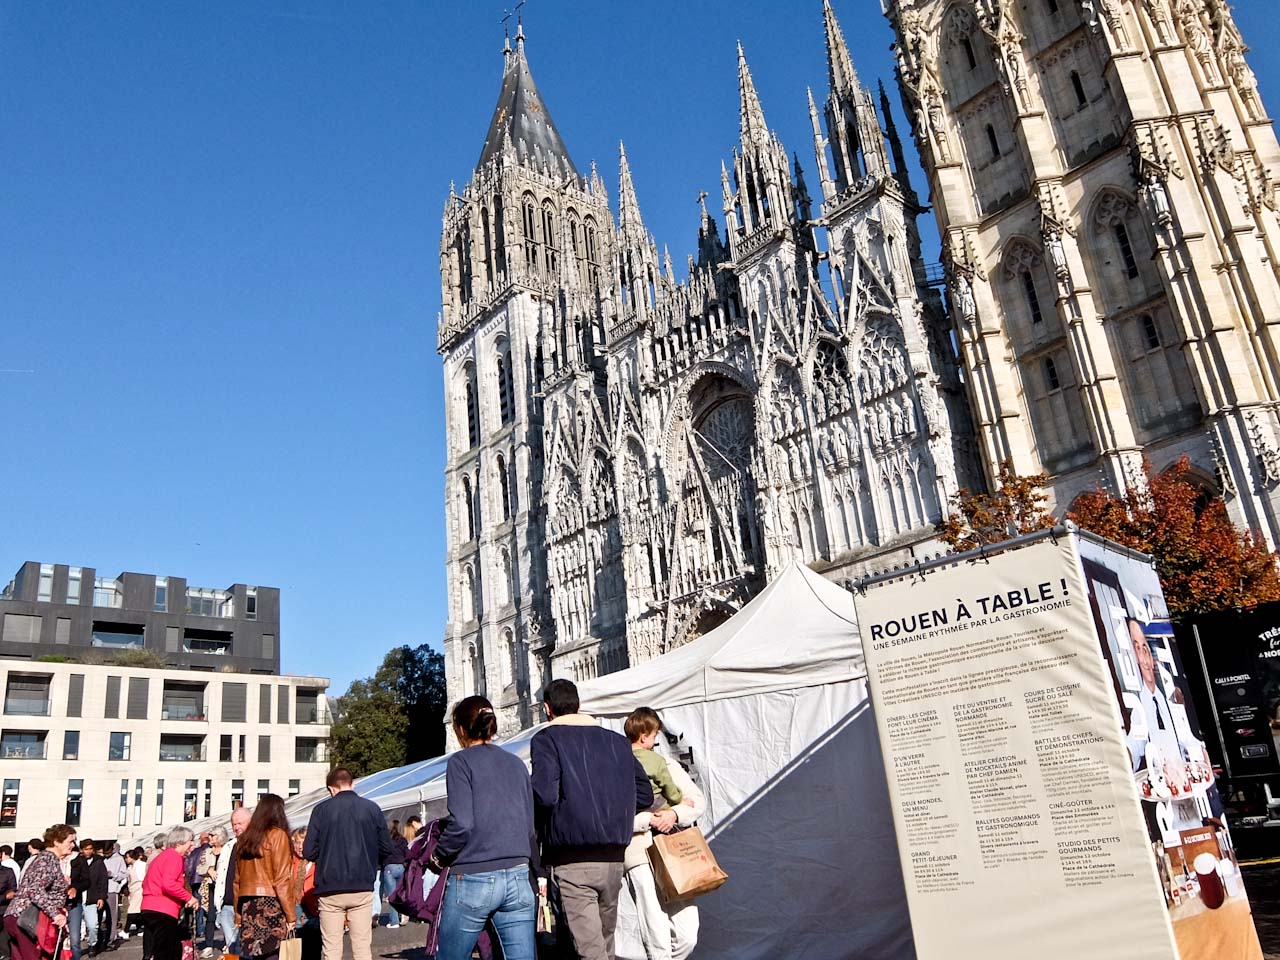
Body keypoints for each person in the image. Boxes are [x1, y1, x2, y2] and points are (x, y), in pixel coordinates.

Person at [530, 679, 653, 960]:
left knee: (591, 950)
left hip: (572, 857)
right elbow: (644, 794)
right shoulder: (617, 742)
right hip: (613, 857)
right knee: (604, 945)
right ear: (578, 705)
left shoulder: (547, 740)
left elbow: (545, 796)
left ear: (547, 709)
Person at [428, 696, 537, 960]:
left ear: (461, 730)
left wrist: (439, 856)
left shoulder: (460, 763)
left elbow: (463, 823)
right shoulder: (516, 764)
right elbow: (529, 825)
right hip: (518, 872)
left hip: (474, 874)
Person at [621, 708, 706, 960]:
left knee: (688, 933)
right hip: (638, 853)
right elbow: (612, 818)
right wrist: (649, 820)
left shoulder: (664, 764)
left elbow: (696, 801)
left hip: (674, 851)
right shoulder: (617, 767)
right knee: (656, 934)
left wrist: (674, 815)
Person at [302, 768, 391, 960]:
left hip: (329, 887)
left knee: (331, 948)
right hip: (362, 885)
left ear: (331, 789)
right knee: (361, 947)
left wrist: (325, 854)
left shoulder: (321, 810)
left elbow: (308, 851)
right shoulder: (371, 808)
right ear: (353, 784)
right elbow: (386, 847)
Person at [233, 794, 296, 960]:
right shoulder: (278, 835)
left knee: (256, 954)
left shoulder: (244, 840)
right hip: (271, 902)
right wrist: (291, 915)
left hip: (248, 904)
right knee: (272, 953)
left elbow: (237, 881)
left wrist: (238, 914)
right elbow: (282, 880)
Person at [3, 824, 74, 960]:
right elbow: (35, 890)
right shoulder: (47, 859)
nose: (73, 845)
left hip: (18, 917)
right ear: (56, 842)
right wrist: (56, 914)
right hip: (26, 918)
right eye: (70, 841)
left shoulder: (46, 859)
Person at [140, 826, 199, 960]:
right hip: (163, 910)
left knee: (156, 950)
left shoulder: (161, 857)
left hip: (149, 908)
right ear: (179, 842)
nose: (193, 844)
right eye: (191, 840)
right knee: (167, 952)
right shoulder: (174, 857)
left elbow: (146, 882)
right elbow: (168, 884)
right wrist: (189, 897)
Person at [625, 708, 684, 812]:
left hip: (632, 807)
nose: (655, 740)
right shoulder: (655, 760)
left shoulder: (621, 756)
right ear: (644, 737)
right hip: (655, 805)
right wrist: (679, 800)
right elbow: (668, 786)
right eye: (654, 736)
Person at [215, 807, 251, 959]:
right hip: (227, 905)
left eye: (240, 823)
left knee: (247, 947)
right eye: (233, 824)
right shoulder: (229, 846)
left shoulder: (254, 845)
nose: (236, 827)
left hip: (245, 905)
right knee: (232, 949)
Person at [70, 839, 107, 960]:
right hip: (78, 899)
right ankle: (74, 949)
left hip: (92, 898)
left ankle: (92, 945)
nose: (88, 851)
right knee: (75, 927)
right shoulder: (76, 861)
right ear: (81, 850)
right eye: (86, 849)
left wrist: (101, 897)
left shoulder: (98, 862)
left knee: (93, 925)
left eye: (90, 849)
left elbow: (103, 880)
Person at [196, 831, 223, 959]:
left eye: (213, 836)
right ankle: (208, 945)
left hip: (225, 887)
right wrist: (208, 870)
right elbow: (199, 868)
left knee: (228, 915)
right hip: (211, 887)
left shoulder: (228, 850)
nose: (210, 838)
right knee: (210, 916)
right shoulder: (207, 852)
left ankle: (230, 943)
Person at [380, 824, 407, 930]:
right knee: (401, 893)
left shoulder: (386, 841)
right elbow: (407, 853)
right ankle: (404, 915)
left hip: (390, 868)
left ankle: (394, 921)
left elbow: (381, 854)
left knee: (392, 895)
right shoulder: (403, 840)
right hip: (401, 867)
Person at [100, 843, 127, 952]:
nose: (106, 855)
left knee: (112, 916)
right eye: (104, 853)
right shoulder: (100, 859)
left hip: (112, 889)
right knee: (99, 916)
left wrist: (113, 875)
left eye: (108, 853)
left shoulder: (119, 859)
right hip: (100, 890)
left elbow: (124, 874)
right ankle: (99, 939)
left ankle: (110, 940)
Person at [124, 850, 147, 944]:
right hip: (133, 889)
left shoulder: (141, 865)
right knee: (138, 910)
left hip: (139, 888)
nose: (126, 859)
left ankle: (125, 930)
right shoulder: (130, 867)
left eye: (127, 857)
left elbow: (143, 877)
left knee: (132, 910)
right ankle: (140, 928)